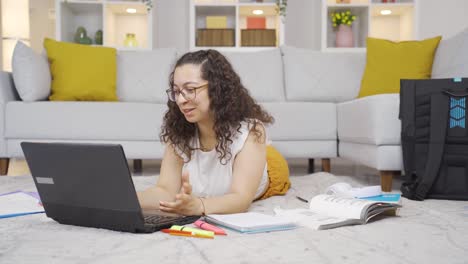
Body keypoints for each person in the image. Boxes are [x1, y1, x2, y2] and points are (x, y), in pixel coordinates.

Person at [137, 49, 290, 216]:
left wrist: (199, 205)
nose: (181, 100)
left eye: (190, 89)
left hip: (272, 168)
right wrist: (126, 199)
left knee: (267, 163)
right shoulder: (179, 130)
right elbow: (165, 190)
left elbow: (241, 198)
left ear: (217, 89)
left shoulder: (251, 132)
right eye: (177, 91)